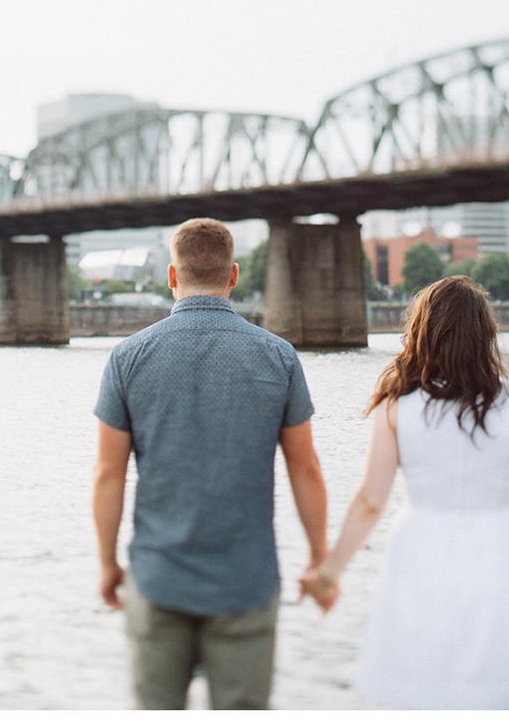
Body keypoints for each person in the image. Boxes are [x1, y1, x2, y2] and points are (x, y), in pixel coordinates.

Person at [92, 217, 329, 710]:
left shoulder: (128, 357)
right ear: (234, 275)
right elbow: (304, 468)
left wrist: (108, 563)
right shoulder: (279, 357)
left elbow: (108, 474)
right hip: (246, 580)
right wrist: (318, 557)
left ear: (172, 276)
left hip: (158, 577)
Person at [300, 275, 509, 709]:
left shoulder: (397, 404)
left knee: (420, 691)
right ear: (486, 334)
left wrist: (329, 573)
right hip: (500, 554)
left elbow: (370, 502)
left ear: (422, 331)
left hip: (420, 553)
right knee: (496, 694)